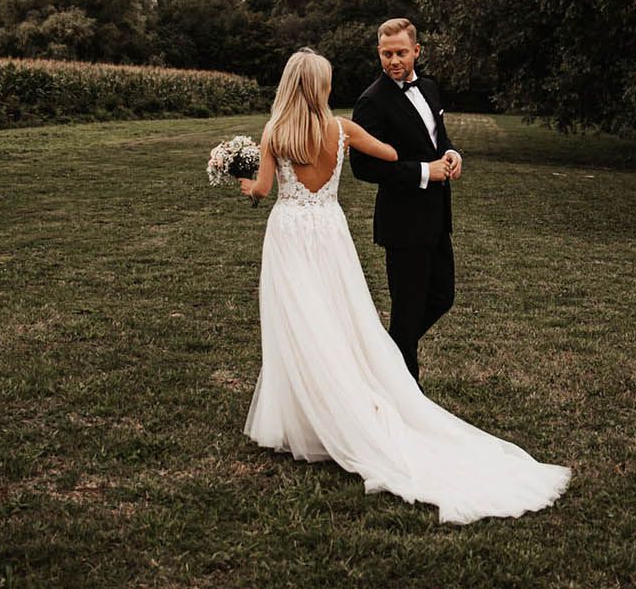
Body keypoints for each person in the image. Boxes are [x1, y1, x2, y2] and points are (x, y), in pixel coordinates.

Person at [240, 48, 570, 524]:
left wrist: (240, 180)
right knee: (338, 317)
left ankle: (308, 419)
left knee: (297, 319)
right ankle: (346, 402)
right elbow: (391, 154)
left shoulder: (274, 133)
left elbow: (262, 191)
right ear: (321, 87)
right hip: (330, 233)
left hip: (290, 234)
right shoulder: (340, 129)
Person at [348, 18, 460, 385]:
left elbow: (437, 139)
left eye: (400, 52)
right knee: (408, 311)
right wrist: (425, 173)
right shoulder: (371, 102)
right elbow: (363, 167)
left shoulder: (429, 88)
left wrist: (451, 153)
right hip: (403, 223)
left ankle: (387, 354)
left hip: (436, 217)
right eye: (386, 54)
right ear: (378, 53)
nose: (394, 60)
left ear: (416, 50)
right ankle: (405, 391)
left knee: (442, 295)